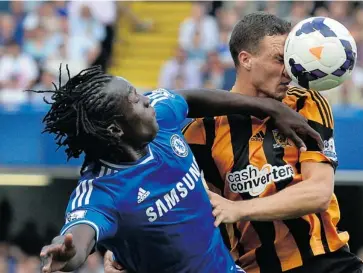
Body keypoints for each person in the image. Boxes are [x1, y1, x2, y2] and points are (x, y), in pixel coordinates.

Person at [105, 12, 363, 273]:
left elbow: (318, 193)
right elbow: (169, 205)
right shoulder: (200, 133)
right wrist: (123, 253)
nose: (289, 70)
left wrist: (238, 209)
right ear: (246, 59)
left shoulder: (305, 103)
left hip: (329, 263)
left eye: (290, 59)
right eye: (278, 60)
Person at [33, 65, 320, 273]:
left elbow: (191, 99)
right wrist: (68, 253)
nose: (146, 99)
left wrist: (268, 108)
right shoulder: (101, 193)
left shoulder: (161, 120)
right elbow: (80, 234)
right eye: (134, 100)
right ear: (114, 129)